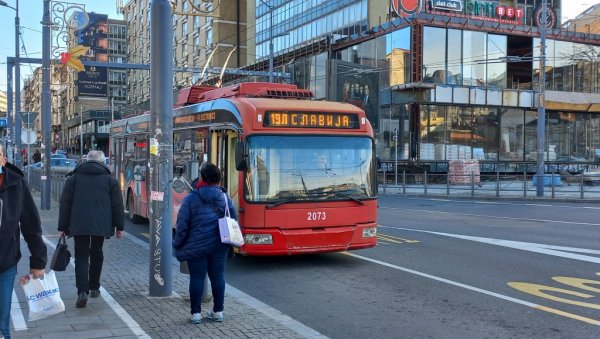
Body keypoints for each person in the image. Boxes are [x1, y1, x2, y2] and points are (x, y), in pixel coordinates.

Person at [57, 150, 124, 308]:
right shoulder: (110, 180)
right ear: (102, 162)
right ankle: (94, 287)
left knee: (81, 256)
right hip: (101, 224)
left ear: (86, 160)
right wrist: (119, 227)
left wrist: (62, 227)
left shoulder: (74, 178)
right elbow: (117, 206)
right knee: (97, 252)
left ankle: (82, 291)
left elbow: (65, 203)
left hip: (79, 223)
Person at [173, 162, 237, 324]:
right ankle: (218, 312)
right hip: (220, 244)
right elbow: (233, 219)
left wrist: (178, 243)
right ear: (218, 178)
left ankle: (196, 314)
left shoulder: (191, 198)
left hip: (197, 244)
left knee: (196, 277)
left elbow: (182, 224)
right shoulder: (224, 196)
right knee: (218, 276)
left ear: (202, 177)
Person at [0, 144, 47, 338]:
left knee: (2, 319)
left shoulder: (15, 183)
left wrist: (38, 261)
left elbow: (30, 223)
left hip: (6, 261)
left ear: (3, 159)